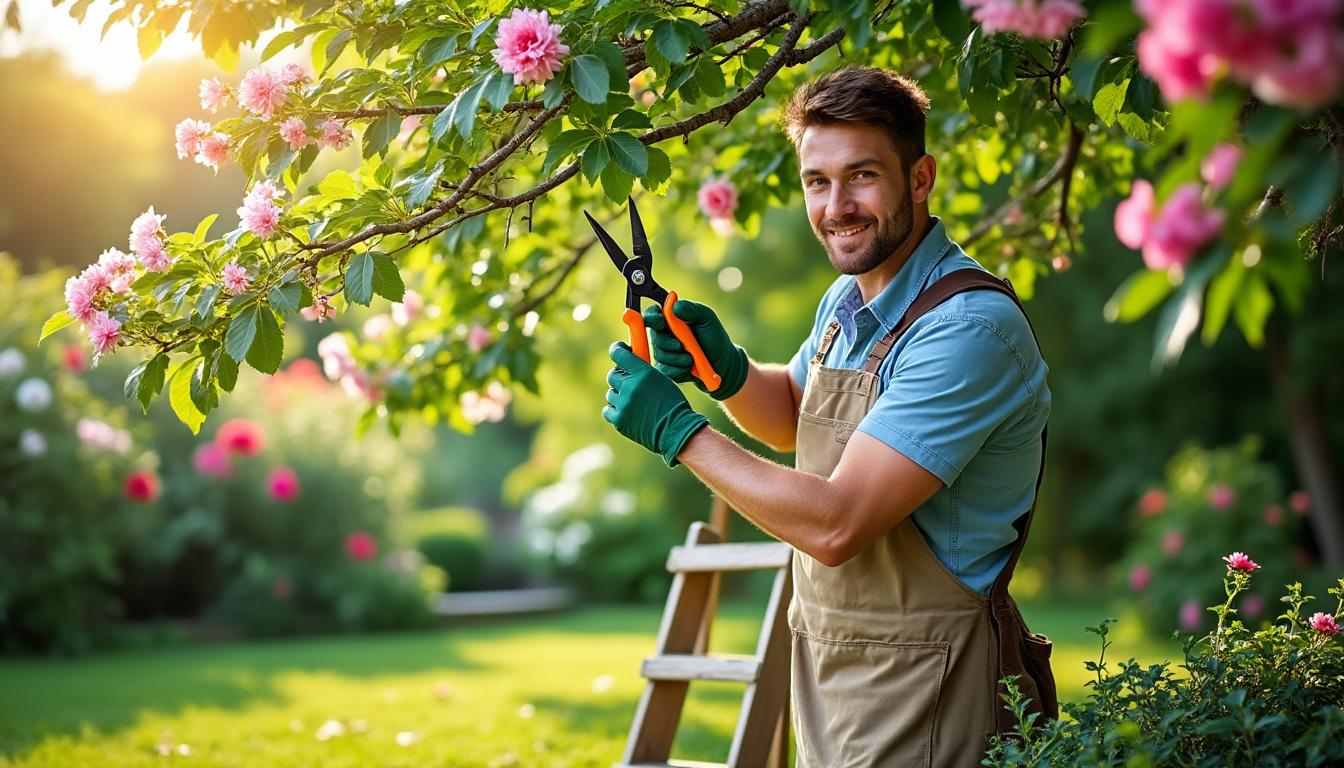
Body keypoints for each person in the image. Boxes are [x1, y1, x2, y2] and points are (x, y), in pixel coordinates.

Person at [601, 66, 1052, 767]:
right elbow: (792, 418)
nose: (836, 205)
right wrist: (727, 371)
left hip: (931, 690)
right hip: (834, 676)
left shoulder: (968, 329)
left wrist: (678, 431)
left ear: (921, 177)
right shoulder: (847, 302)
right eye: (817, 181)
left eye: (862, 175)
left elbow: (837, 522)